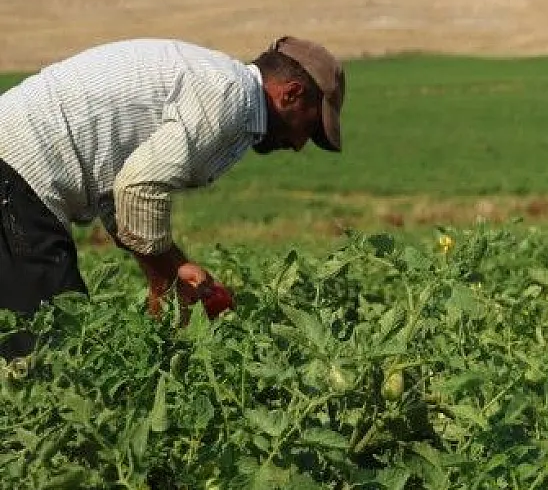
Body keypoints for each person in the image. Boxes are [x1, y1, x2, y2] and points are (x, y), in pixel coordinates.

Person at [1, 36, 346, 354]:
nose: (300, 145)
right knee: (54, 346)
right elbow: (138, 189)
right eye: (311, 127)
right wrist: (163, 285)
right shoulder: (229, 97)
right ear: (292, 94)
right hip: (21, 167)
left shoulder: (219, 81)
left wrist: (176, 265)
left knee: (23, 341)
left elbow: (119, 193)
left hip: (16, 161)